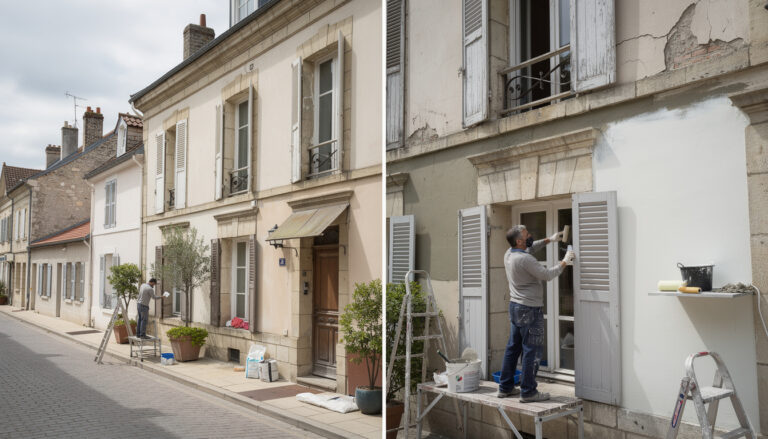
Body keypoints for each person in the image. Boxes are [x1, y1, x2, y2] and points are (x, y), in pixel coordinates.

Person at [497, 225, 574, 403]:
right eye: (526, 234)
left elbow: (531, 247)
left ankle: (505, 387)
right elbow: (547, 275)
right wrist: (565, 261)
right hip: (530, 310)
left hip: (515, 307)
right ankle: (529, 392)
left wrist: (550, 239)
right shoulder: (526, 260)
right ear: (519, 241)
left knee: (512, 348)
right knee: (531, 350)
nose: (530, 235)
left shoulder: (509, 253)